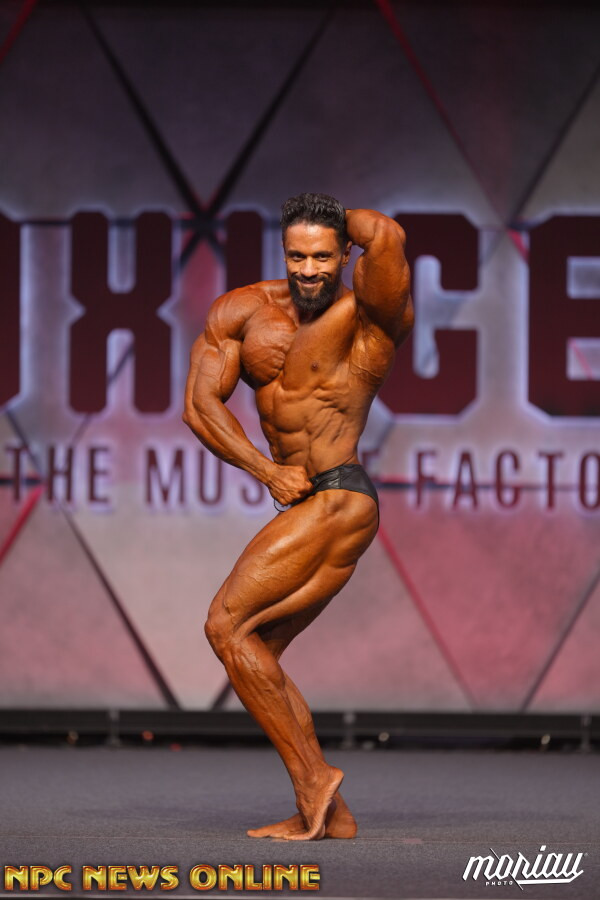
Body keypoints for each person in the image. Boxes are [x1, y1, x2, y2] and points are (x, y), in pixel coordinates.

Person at [183, 193, 413, 840]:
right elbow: (199, 406)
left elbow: (386, 235)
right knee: (253, 652)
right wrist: (266, 470)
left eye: (322, 256)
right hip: (307, 498)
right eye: (296, 256)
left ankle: (315, 781)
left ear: (344, 253)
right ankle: (330, 811)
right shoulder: (244, 311)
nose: (309, 269)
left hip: (340, 496)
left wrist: (339, 216)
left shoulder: (369, 314)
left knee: (225, 626)